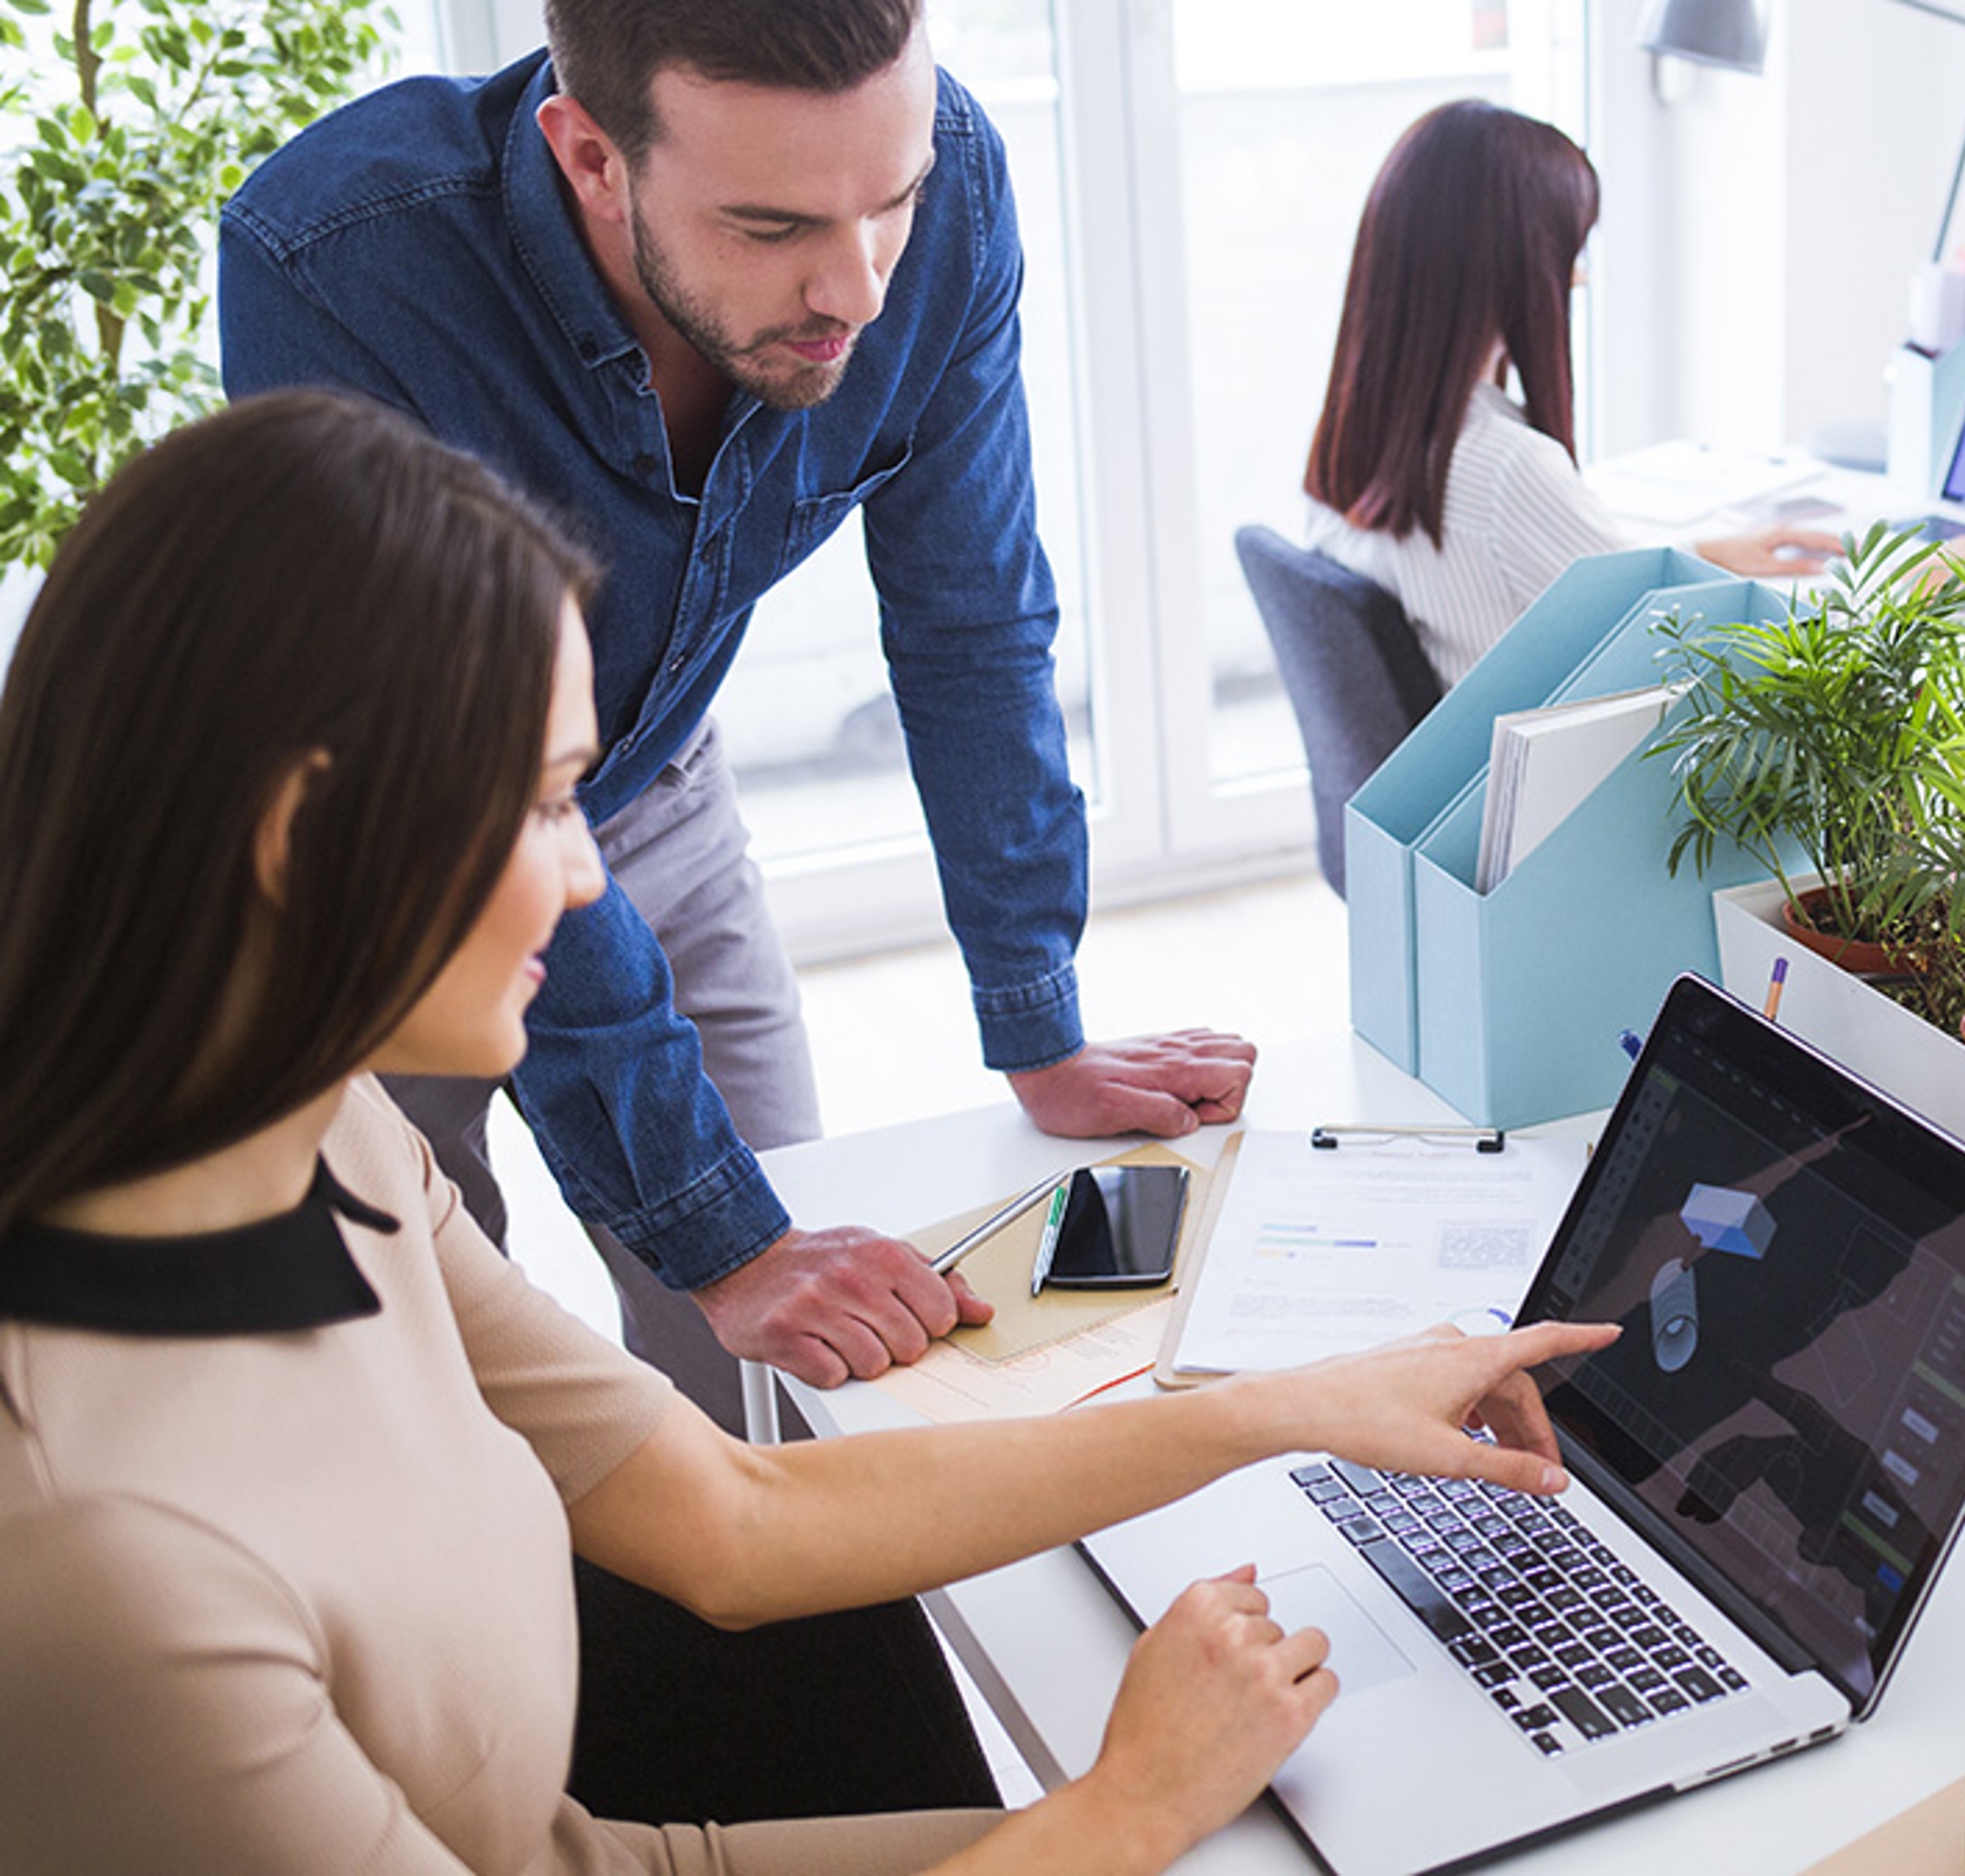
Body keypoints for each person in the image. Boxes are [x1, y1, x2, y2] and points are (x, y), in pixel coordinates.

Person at [0, 388, 1621, 1874]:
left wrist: (1291, 1404)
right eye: (550, 800)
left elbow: (731, 1519)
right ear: (302, 830)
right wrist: (1121, 1814)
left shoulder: (334, 1143)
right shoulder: (105, 1573)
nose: (586, 878)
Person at [218, 0, 1244, 1424]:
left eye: (885, 206)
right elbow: (453, 779)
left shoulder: (942, 179)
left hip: (664, 799)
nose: (861, 290)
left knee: (802, 1373)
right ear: (589, 155)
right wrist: (713, 1231)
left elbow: (972, 617)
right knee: (435, 1403)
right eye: (771, 230)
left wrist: (1037, 1021)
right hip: (390, 872)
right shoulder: (337, 263)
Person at [1301, 99, 1839, 687]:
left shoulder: (1357, 441)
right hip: (1561, 774)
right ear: (1514, 265)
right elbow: (1690, 650)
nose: (1578, 276)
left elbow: (1603, 586)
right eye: (1569, 251)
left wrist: (1703, 554)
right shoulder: (1506, 468)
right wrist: (1891, 601)